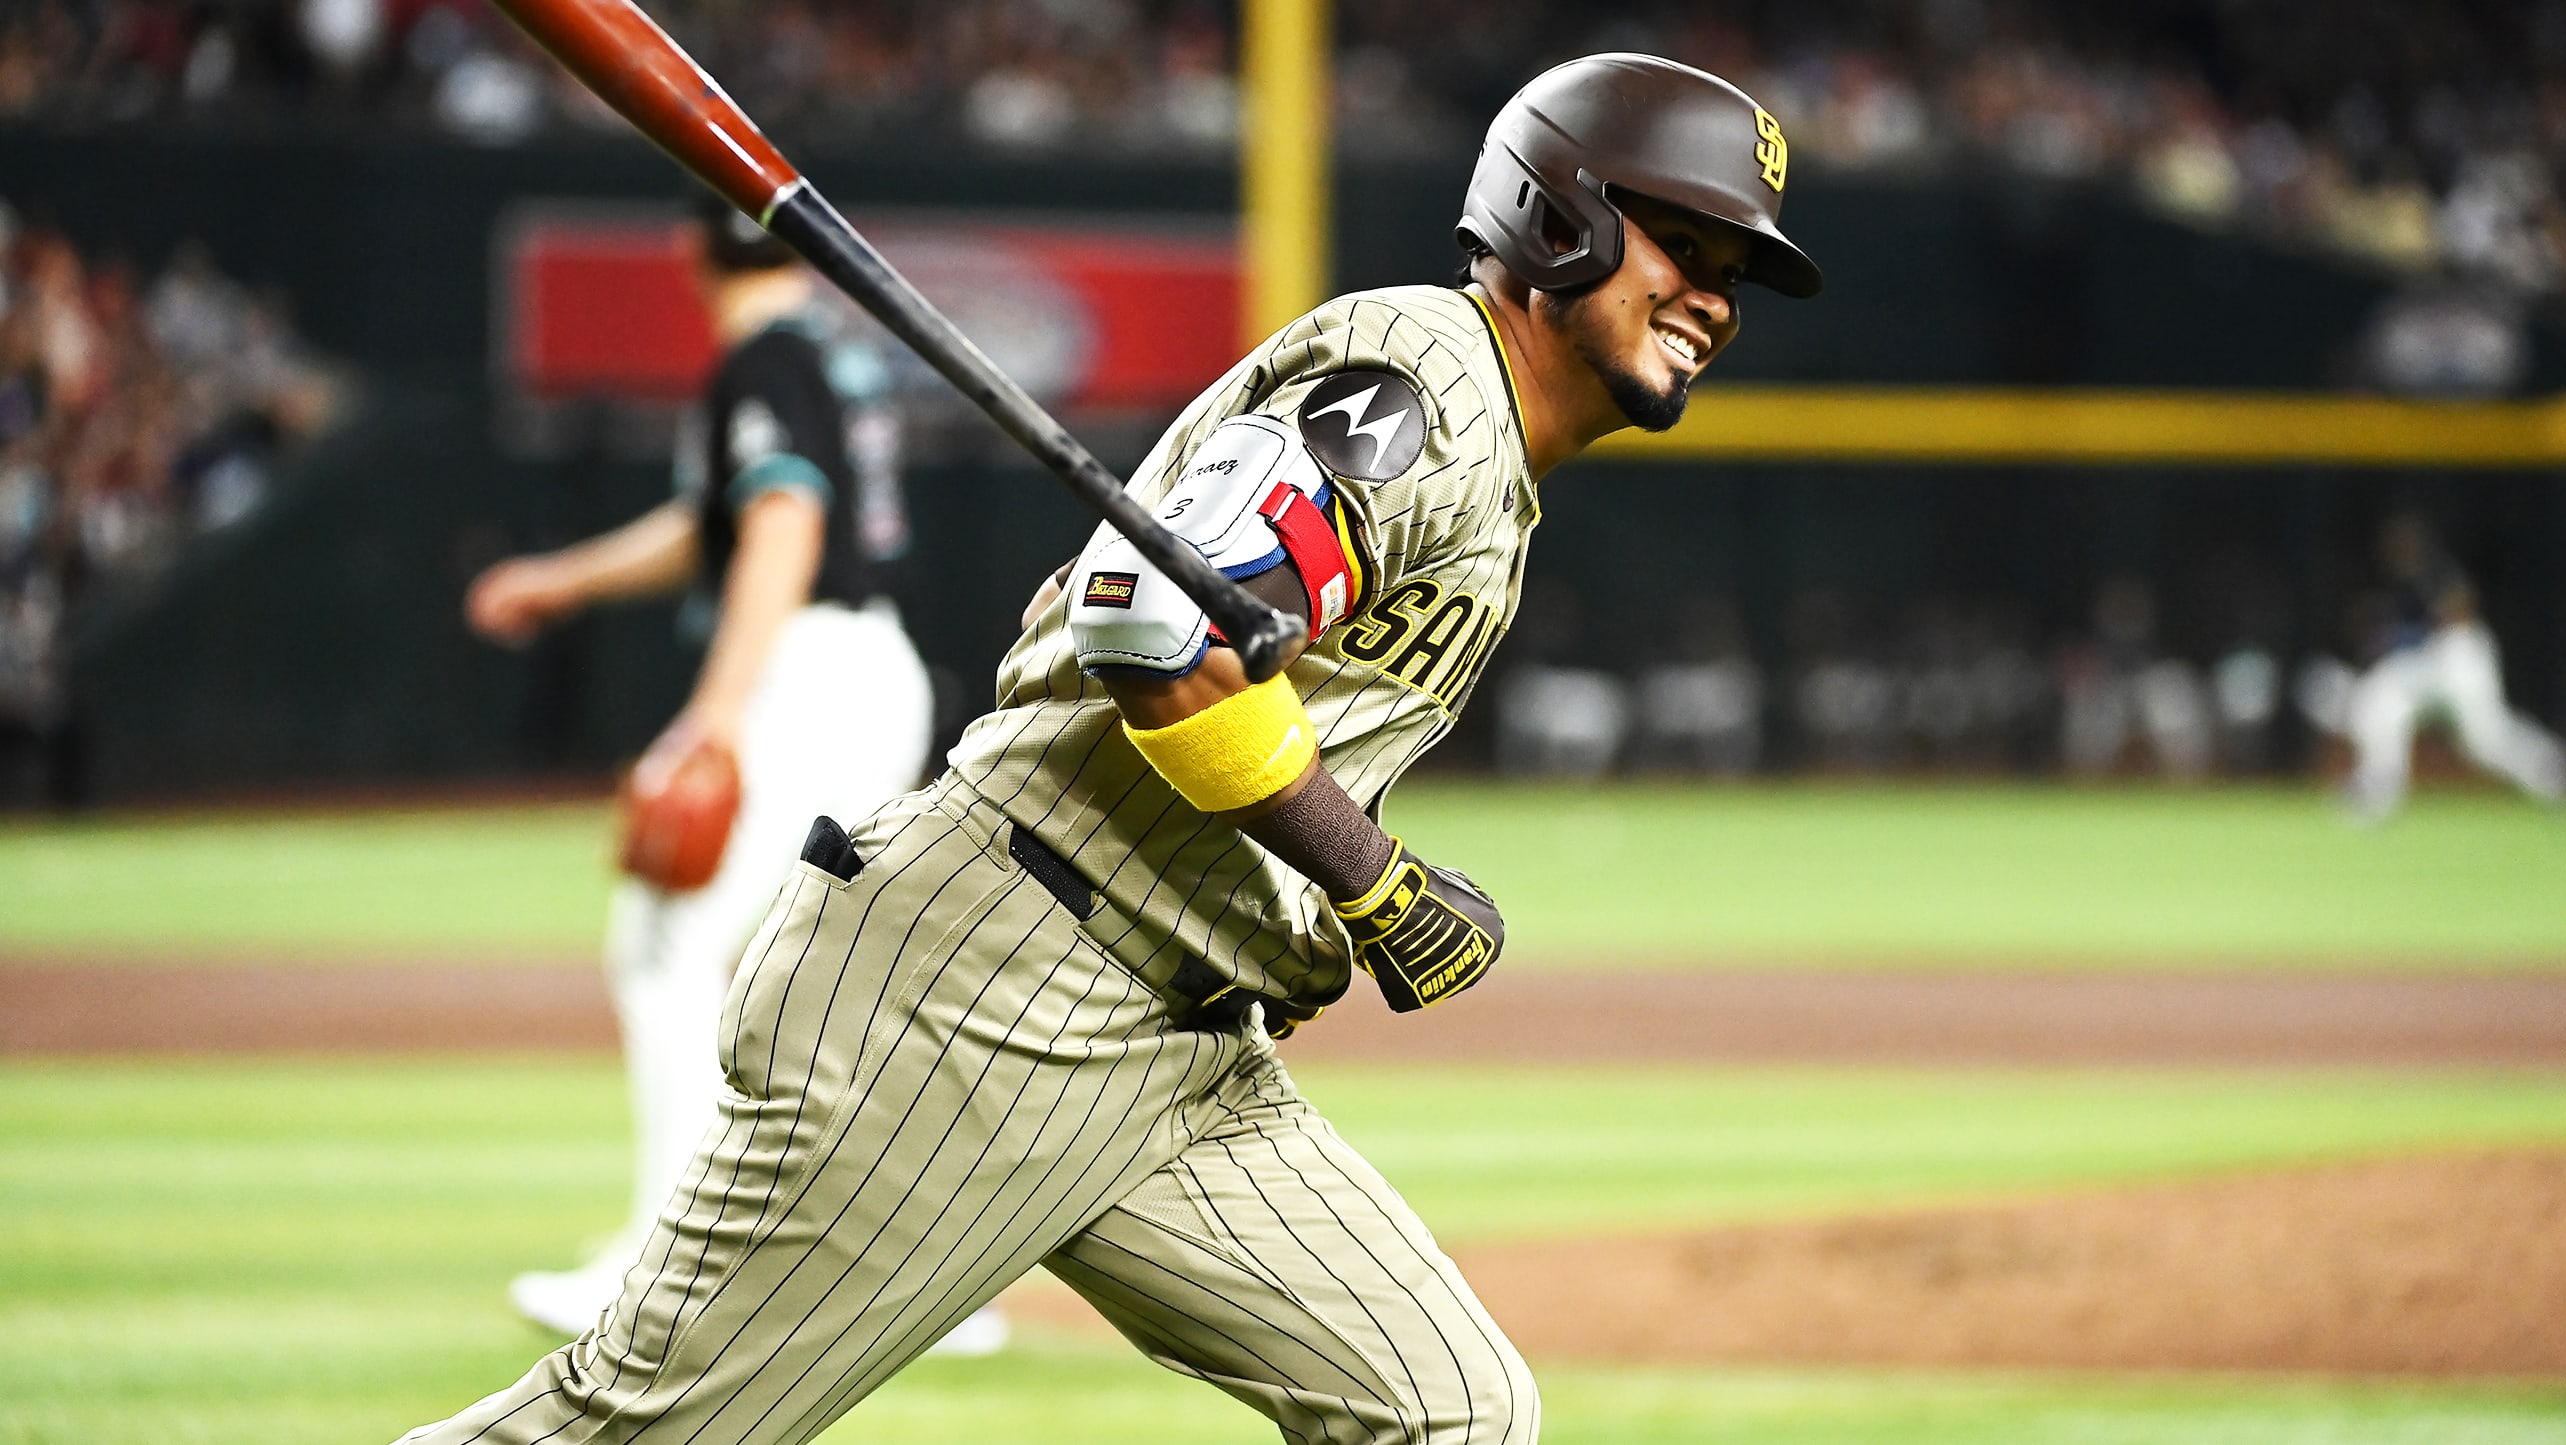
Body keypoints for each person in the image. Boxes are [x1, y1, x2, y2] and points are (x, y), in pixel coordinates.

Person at [405, 52, 1819, 1444]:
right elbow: (1153, 629)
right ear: (1558, 218)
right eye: (1682, 243)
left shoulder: (1488, 449)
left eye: (1735, 273)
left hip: (1182, 1044)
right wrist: (1374, 881)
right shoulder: (1425, 387)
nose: (1713, 297)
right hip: (991, 993)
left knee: (1451, 1412)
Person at [460, 198, 1002, 1354]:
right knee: (834, 983)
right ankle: (924, 1281)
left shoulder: (764, 362)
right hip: (869, 669)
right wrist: (564, 580)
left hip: (812, 671)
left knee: (666, 943)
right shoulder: (826, 358)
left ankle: (662, 1273)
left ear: (689, 250)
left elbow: (783, 524)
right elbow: (718, 520)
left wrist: (713, 715)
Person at [2342, 511, 2565, 820]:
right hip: (2430, 662)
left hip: (2459, 656)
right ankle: (2377, 787)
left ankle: (2552, 770)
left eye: (2403, 539)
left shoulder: (2433, 567)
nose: (2396, 546)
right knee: (2382, 702)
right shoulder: (2402, 580)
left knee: (2485, 741)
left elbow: (2461, 605)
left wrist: (2417, 635)